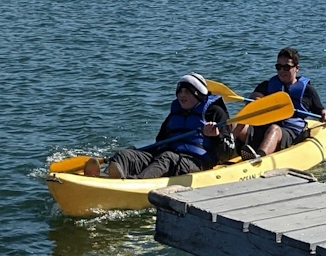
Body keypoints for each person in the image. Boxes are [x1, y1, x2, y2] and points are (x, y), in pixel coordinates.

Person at [91, 74, 231, 179]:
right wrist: (137, 154)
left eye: (187, 92)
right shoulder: (175, 113)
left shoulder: (215, 113)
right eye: (180, 92)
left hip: (196, 162)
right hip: (166, 157)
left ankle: (136, 182)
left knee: (167, 158)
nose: (182, 95)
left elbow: (227, 153)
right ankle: (107, 176)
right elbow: (160, 143)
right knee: (125, 154)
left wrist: (216, 136)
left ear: (198, 95)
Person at [231, 47, 326, 157]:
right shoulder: (267, 85)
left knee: (274, 129)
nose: (282, 71)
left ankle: (259, 158)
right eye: (278, 67)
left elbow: (321, 112)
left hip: (289, 132)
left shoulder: (308, 91)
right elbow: (252, 100)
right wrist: (260, 102)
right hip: (262, 127)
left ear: (296, 68)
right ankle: (225, 148)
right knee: (234, 123)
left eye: (286, 67)